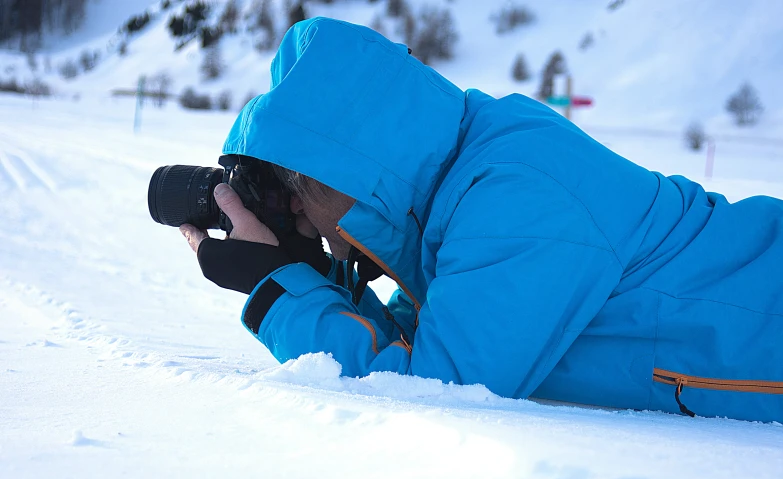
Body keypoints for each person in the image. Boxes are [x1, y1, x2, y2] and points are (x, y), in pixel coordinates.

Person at [180, 18, 783, 422]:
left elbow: (435, 391)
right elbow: (418, 340)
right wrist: (313, 277)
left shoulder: (513, 201)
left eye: (297, 197)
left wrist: (278, 285)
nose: (301, 220)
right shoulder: (468, 181)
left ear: (348, 174)